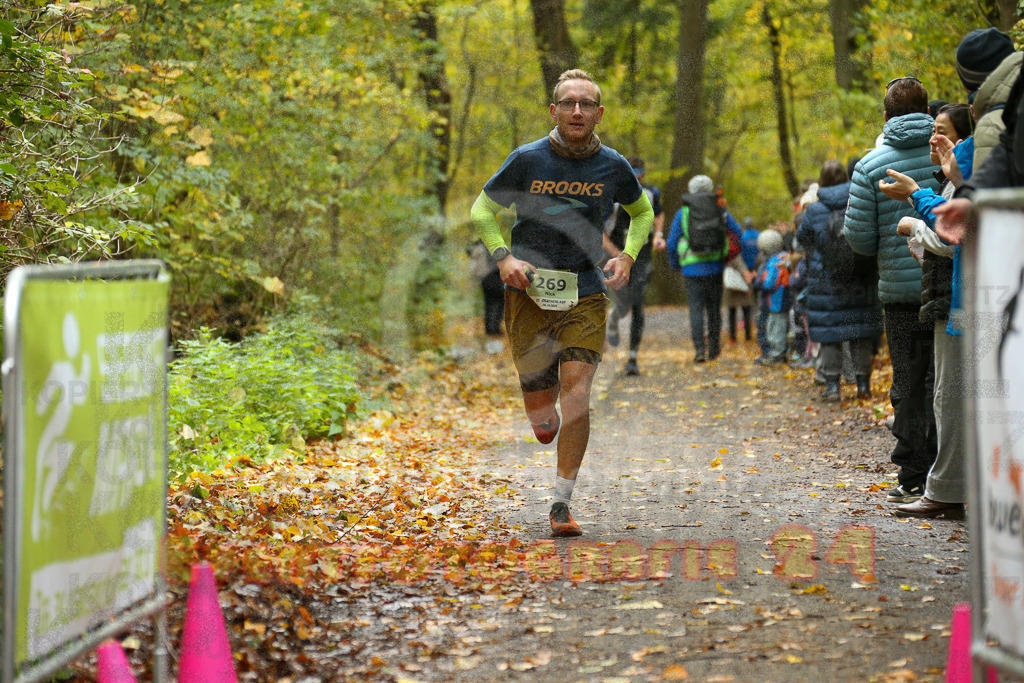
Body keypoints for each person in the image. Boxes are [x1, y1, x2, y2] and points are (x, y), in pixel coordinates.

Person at [470, 69, 654, 537]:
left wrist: (629, 256)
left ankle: (561, 503)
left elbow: (642, 211)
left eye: (586, 103)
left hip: (586, 291)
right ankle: (539, 407)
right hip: (528, 290)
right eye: (568, 103)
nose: (577, 110)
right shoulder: (527, 159)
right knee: (543, 413)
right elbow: (482, 209)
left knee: (577, 390)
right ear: (554, 110)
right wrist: (503, 257)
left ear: (598, 113)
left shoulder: (613, 165)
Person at [843, 76, 941, 505]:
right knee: (945, 378)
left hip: (900, 294)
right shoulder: (949, 152)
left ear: (885, 116)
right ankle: (948, 470)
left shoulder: (870, 165)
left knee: (908, 379)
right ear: (927, 111)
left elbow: (859, 240)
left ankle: (912, 474)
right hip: (948, 286)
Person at [798, 160, 882, 401]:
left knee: (830, 335)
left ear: (821, 181)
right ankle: (863, 386)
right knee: (860, 332)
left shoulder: (814, 209)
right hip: (860, 278)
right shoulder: (857, 200)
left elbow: (802, 237)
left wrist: (818, 256)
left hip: (827, 281)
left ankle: (833, 386)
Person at [666, 175, 743, 363]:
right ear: (709, 189)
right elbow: (738, 232)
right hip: (715, 266)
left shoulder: (683, 213)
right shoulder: (719, 208)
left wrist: (676, 264)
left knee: (695, 309)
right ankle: (714, 350)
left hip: (691, 269)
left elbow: (670, 244)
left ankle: (700, 350)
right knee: (714, 309)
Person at [603, 156, 666, 375]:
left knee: (638, 301)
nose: (638, 176)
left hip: (642, 255)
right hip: (615, 254)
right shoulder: (611, 193)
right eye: (633, 171)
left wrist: (658, 234)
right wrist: (617, 254)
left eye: (640, 172)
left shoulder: (650, 192)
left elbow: (658, 214)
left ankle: (632, 357)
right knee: (623, 303)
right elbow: (599, 230)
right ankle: (613, 317)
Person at [754, 229, 790, 364]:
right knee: (773, 327)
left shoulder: (776, 261)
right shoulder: (783, 257)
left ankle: (777, 355)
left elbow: (769, 284)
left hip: (778, 301)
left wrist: (758, 282)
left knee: (776, 329)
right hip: (776, 301)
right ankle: (775, 353)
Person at [467, 240, 505, 353]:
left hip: (483, 279)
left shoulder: (476, 248)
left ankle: (490, 329)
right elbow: (498, 264)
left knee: (489, 303)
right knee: (499, 301)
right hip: (493, 277)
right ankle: (495, 329)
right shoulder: (490, 247)